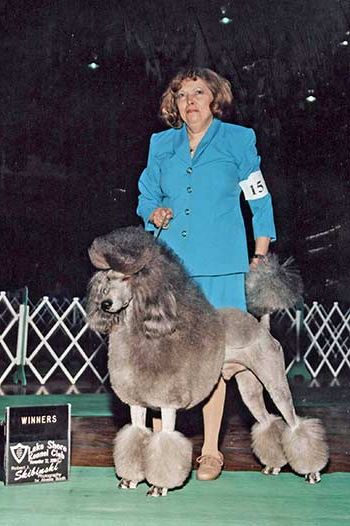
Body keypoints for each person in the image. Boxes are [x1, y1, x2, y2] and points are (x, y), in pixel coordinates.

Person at [137, 67, 276, 481]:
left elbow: (260, 201)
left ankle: (212, 450)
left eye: (199, 92)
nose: (190, 101)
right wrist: (152, 212)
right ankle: (164, 450)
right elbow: (147, 194)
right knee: (165, 360)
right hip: (172, 268)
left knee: (216, 361)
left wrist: (261, 253)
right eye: (182, 95)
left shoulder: (238, 140)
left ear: (214, 98)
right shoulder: (161, 144)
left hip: (222, 267)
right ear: (174, 105)